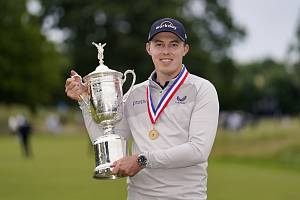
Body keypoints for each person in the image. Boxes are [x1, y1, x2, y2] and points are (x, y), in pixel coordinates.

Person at [65, 17, 219, 200]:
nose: (166, 51)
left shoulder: (202, 89)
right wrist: (84, 101)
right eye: (159, 44)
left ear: (185, 49)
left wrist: (142, 160)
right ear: (149, 48)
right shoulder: (134, 94)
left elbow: (198, 150)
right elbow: (105, 139)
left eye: (174, 44)